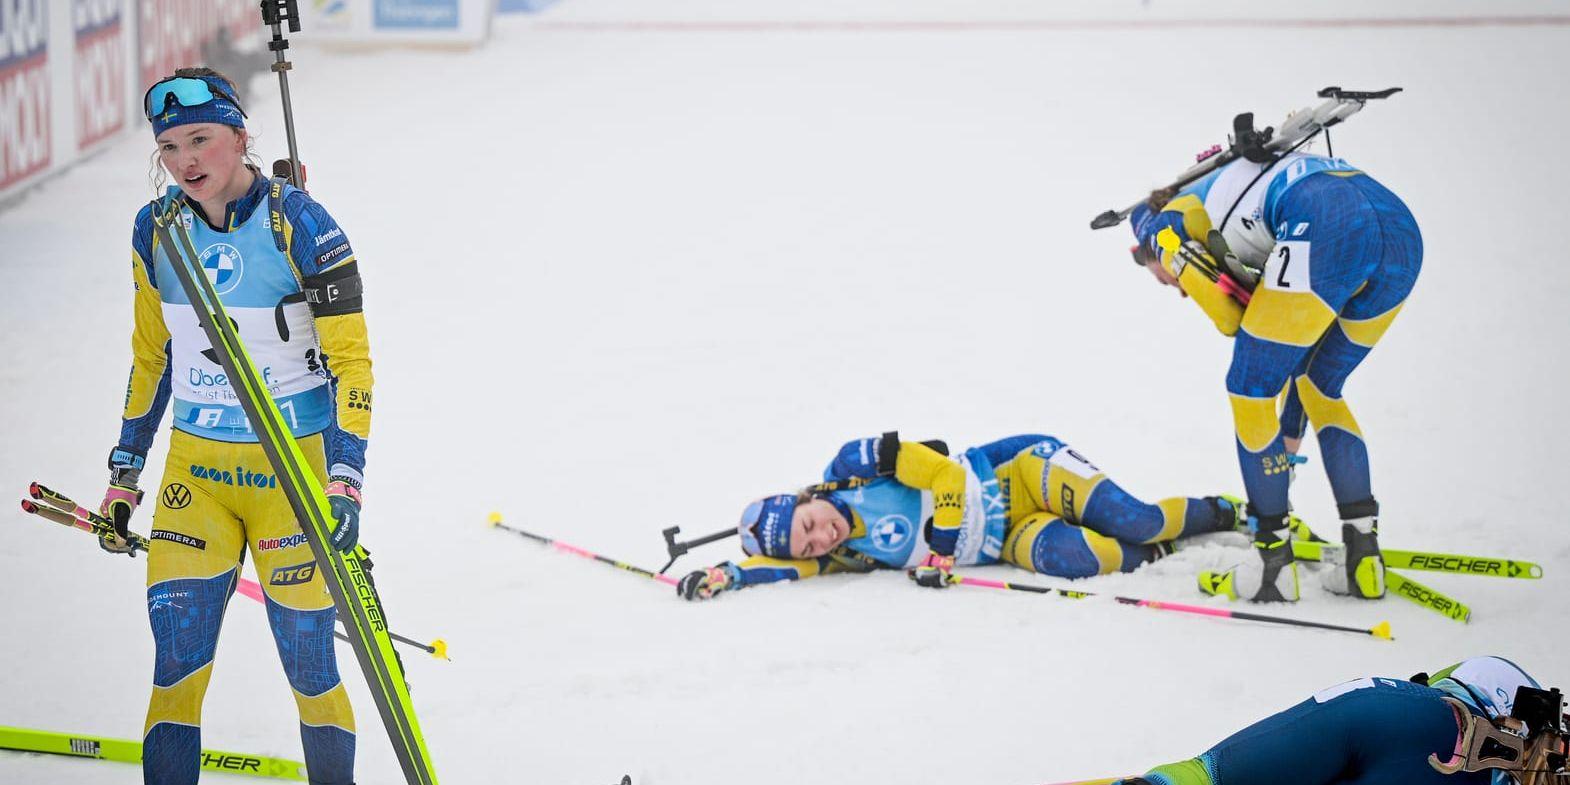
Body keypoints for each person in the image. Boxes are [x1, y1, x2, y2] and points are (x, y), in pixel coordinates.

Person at [100, 67, 371, 785]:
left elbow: (353, 366)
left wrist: (345, 481)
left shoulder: (302, 224)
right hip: (198, 480)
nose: (186, 160)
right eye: (169, 147)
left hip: (295, 478)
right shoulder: (154, 228)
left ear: (240, 136)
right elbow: (149, 357)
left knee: (312, 672)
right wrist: (124, 471)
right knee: (175, 675)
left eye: (202, 139)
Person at [1128, 141, 1422, 604]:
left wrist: (1181, 268)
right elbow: (1294, 352)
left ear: (1139, 249)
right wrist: (1285, 439)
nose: (1175, 290)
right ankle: (1362, 559)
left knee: (1247, 387)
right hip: (1399, 230)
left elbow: (1229, 320)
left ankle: (1271, 567)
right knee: (1321, 386)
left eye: (1159, 279)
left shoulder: (1165, 225)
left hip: (1328, 225)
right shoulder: (1232, 189)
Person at [676, 432, 1260, 600]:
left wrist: (943, 542)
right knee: (1081, 560)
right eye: (809, 546)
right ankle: (1174, 555)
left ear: (801, 499)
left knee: (1133, 520)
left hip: (1021, 470)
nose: (819, 538)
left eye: (809, 526)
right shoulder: (843, 557)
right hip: (1012, 536)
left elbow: (945, 474)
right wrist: (729, 575)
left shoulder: (851, 465)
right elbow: (785, 571)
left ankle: (1229, 510)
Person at [1114, 655, 1568, 785]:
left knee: (1209, 775)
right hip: (1417, 728)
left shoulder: (1404, 710)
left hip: (1395, 716)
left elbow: (1210, 773)